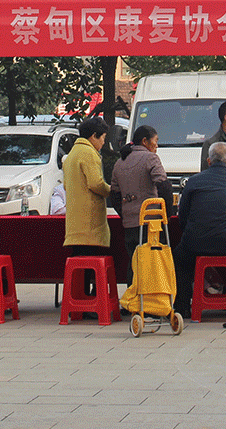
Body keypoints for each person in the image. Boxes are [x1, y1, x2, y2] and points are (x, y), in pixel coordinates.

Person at [173, 140, 226, 319]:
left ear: (208, 161)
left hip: (195, 243)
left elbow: (183, 216)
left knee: (179, 258)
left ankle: (182, 307)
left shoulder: (193, 182)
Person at [63, 116, 112, 300]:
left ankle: (78, 300)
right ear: (94, 136)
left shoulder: (72, 154)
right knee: (91, 265)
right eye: (103, 138)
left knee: (80, 264)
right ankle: (90, 301)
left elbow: (66, 185)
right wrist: (112, 190)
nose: (103, 143)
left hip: (75, 223)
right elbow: (96, 183)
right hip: (90, 223)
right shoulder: (89, 153)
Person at [111, 125, 172, 258]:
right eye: (155, 141)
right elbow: (164, 187)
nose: (157, 146)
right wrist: (166, 214)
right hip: (151, 223)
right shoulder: (150, 158)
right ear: (145, 141)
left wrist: (125, 213)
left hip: (129, 224)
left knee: (134, 261)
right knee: (152, 262)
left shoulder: (119, 162)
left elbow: (114, 195)